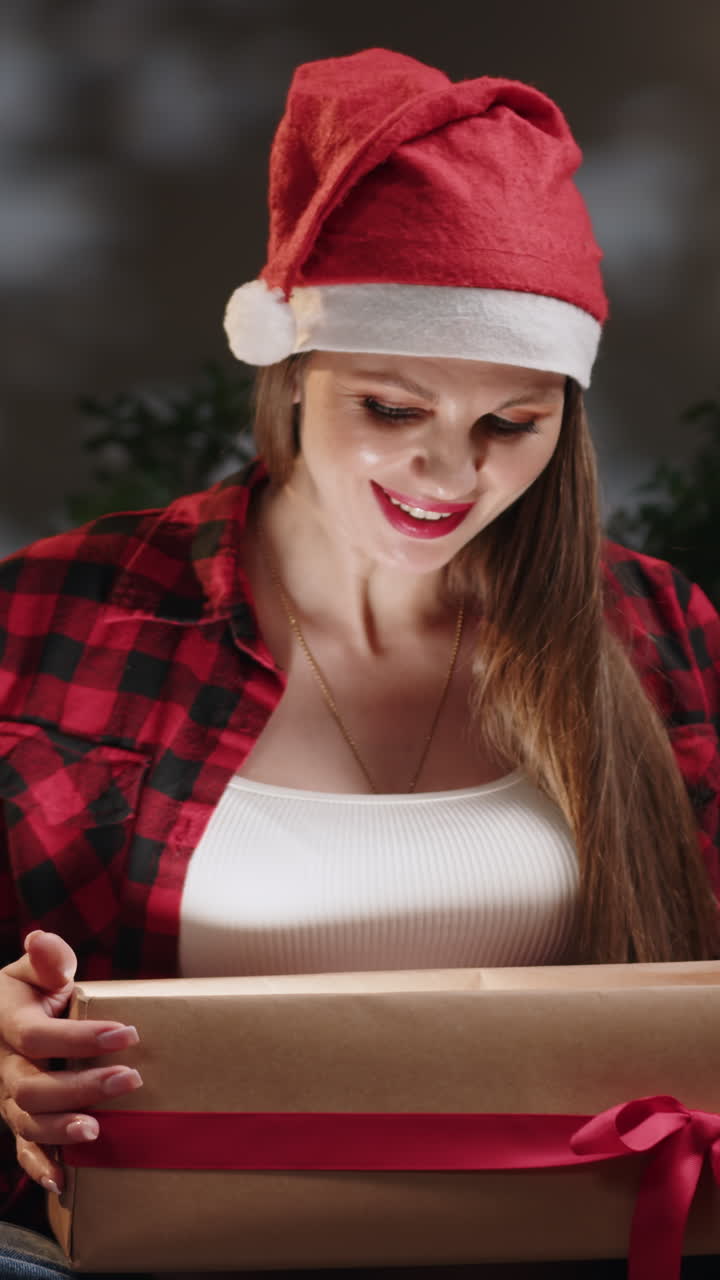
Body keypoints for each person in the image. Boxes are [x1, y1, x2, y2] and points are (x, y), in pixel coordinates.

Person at [0, 46, 718, 1279]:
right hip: (157, 1255)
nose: (450, 475)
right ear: (290, 370)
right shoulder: (58, 616)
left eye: (512, 423)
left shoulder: (660, 633)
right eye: (392, 408)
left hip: (587, 1251)